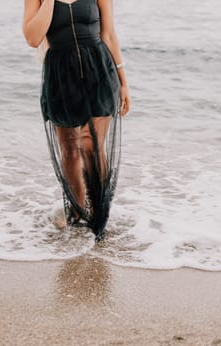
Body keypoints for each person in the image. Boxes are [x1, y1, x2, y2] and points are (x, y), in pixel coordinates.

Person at [22, 0, 130, 240]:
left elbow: (109, 35)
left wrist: (123, 81)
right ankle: (77, 213)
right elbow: (33, 38)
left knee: (92, 146)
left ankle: (99, 214)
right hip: (60, 75)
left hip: (99, 70)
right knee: (70, 149)